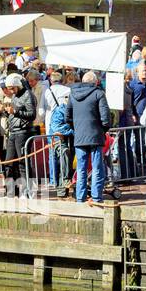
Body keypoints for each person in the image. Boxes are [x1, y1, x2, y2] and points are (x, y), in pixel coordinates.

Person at [65, 70, 112, 205]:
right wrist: (103, 129)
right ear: (96, 82)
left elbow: (67, 117)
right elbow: (105, 118)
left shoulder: (72, 95)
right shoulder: (99, 94)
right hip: (96, 135)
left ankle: (80, 197)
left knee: (81, 168)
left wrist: (77, 128)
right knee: (97, 167)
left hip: (80, 136)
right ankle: (96, 197)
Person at [48, 89, 74, 198]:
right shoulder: (59, 111)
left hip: (69, 140)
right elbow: (57, 128)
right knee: (64, 156)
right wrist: (72, 130)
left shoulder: (72, 110)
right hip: (58, 142)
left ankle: (65, 189)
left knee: (68, 161)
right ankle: (62, 189)